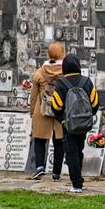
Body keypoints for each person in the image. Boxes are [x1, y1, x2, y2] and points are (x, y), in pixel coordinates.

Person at [51, 54, 99, 193]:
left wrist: (63, 120)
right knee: (79, 150)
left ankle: (76, 184)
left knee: (71, 153)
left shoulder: (61, 83)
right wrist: (86, 117)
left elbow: (56, 106)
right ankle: (79, 179)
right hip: (83, 124)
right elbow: (95, 103)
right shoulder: (86, 82)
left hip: (68, 125)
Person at [29, 42, 66, 181]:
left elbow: (33, 95)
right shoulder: (65, 71)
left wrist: (32, 112)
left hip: (42, 108)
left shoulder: (39, 72)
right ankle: (56, 172)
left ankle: (40, 167)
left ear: (48, 54)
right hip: (59, 108)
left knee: (39, 139)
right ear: (62, 54)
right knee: (59, 140)